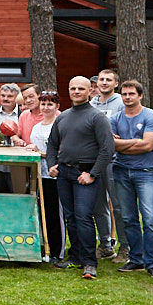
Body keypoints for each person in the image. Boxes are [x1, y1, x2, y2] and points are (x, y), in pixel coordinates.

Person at [44, 76, 115, 279]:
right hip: (64, 173)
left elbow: (107, 149)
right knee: (71, 217)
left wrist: (93, 174)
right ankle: (75, 256)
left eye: (81, 89)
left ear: (89, 91)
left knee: (83, 216)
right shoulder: (63, 117)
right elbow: (52, 144)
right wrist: (52, 165)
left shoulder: (97, 117)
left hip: (86, 174)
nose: (76, 92)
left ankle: (89, 262)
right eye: (73, 88)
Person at [109, 80, 153, 279]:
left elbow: (149, 145)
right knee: (128, 218)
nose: (127, 97)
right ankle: (136, 258)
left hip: (145, 171)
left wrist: (122, 144)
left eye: (131, 93)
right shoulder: (115, 118)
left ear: (140, 95)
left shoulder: (150, 116)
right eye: (124, 94)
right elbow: (110, 145)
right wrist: (135, 141)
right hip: (121, 171)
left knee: (150, 218)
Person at [23, 89, 66, 265]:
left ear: (57, 106)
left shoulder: (60, 126)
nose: (46, 107)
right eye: (43, 104)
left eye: (50, 104)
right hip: (40, 175)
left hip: (56, 175)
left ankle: (58, 251)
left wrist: (40, 153)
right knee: (43, 212)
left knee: (56, 214)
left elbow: (62, 151)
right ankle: (43, 245)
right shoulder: (37, 127)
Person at [88, 68, 124, 258]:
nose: (104, 83)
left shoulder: (121, 102)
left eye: (108, 80)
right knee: (98, 204)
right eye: (101, 79)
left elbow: (124, 129)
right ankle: (105, 245)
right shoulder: (91, 103)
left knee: (118, 205)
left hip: (115, 160)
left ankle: (125, 247)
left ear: (115, 83)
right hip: (94, 160)